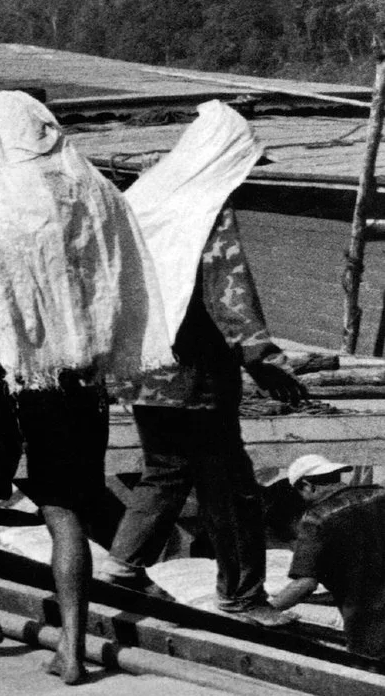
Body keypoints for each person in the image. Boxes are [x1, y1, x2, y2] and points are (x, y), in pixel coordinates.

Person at [0, 91, 140, 685]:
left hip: (12, 374)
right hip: (78, 377)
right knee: (65, 507)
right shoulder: (94, 193)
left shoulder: (0, 199)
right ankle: (72, 649)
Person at [105, 102, 307, 619]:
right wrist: (261, 357)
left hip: (142, 364)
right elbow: (226, 288)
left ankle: (123, 566)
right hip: (195, 373)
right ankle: (243, 595)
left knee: (166, 471)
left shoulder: (144, 193)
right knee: (230, 487)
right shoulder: (207, 206)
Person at [267, 456, 385, 660]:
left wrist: (267, 611)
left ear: (307, 485)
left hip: (372, 628)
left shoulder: (316, 519)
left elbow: (305, 584)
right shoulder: (380, 494)